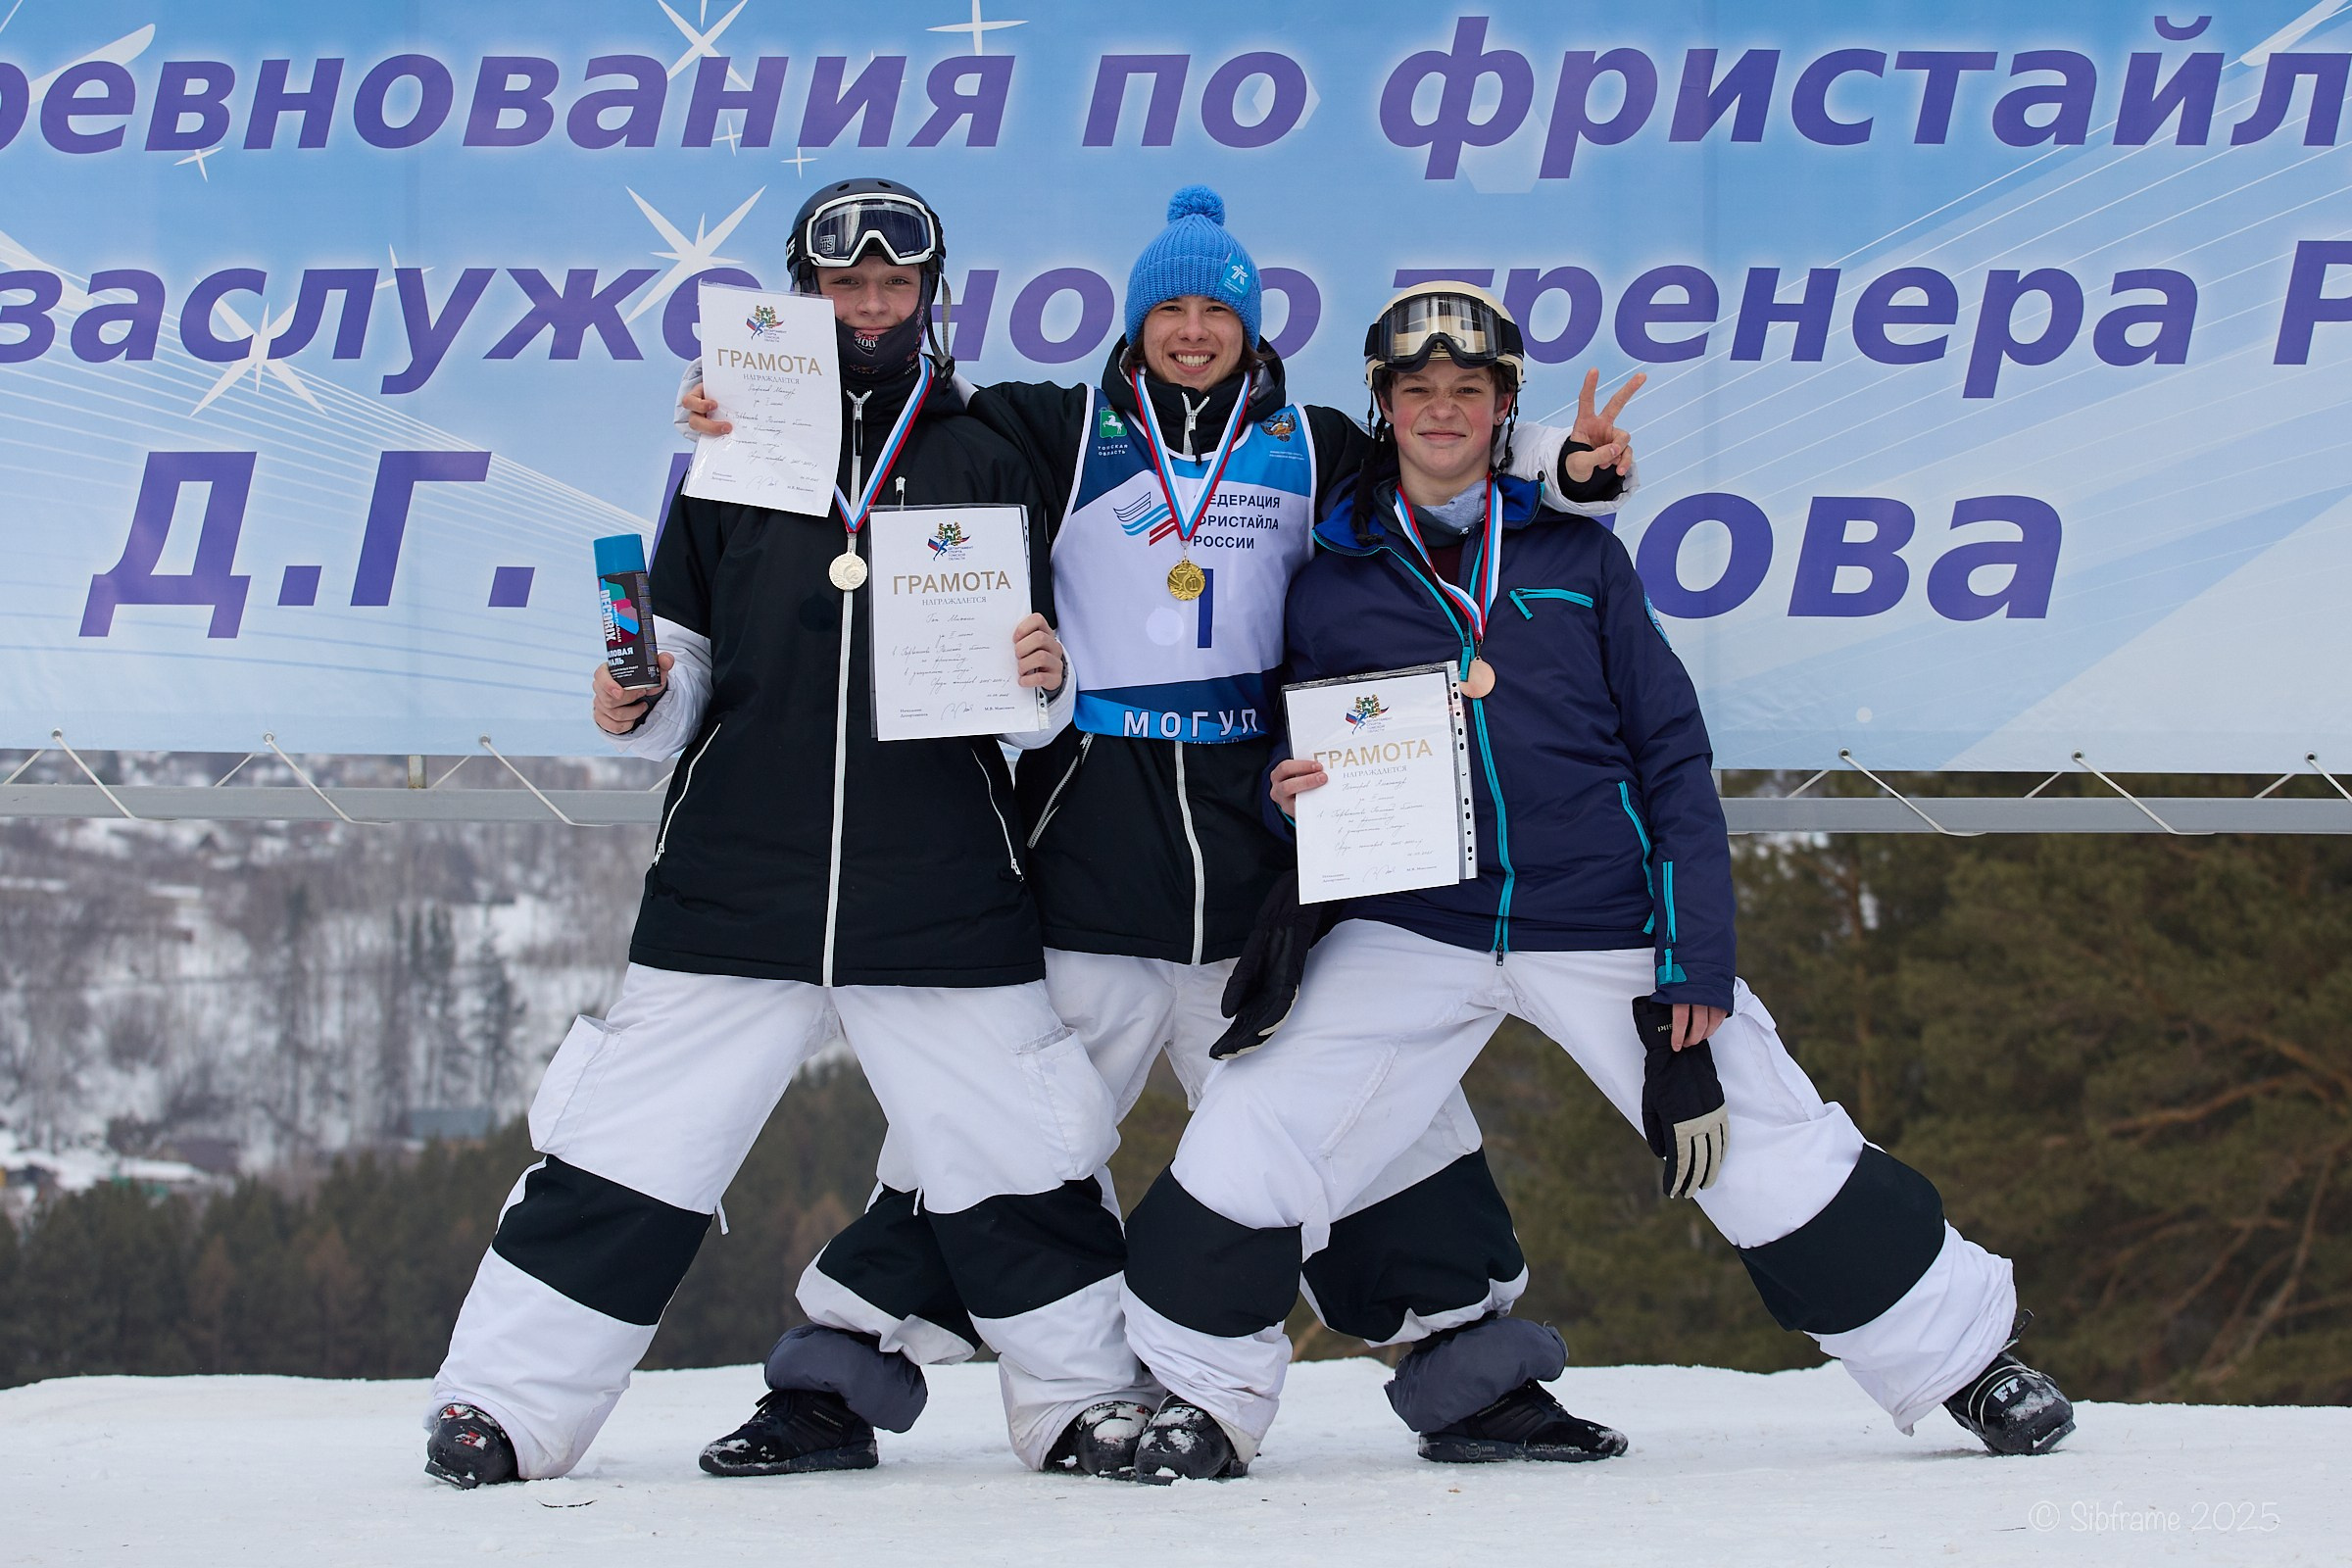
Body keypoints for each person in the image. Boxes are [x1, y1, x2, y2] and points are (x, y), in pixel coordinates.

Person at [677, 188, 1650, 1475]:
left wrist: (1564, 476)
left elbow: (1442, 478)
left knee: (1362, 1097)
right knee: (1002, 1114)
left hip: (1267, 827)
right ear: (1137, 325)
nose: (1194, 332)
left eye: (1217, 311)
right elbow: (901, 428)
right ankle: (833, 1383)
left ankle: (1474, 1376)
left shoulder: (1315, 443)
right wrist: (758, 409)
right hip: (1095, 822)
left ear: (1250, 327)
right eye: (1170, 310)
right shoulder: (1055, 423)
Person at [1115, 283, 2078, 1481]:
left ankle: (1966, 1361)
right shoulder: (1335, 577)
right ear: (1386, 406)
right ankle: (1201, 1399)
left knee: (1759, 1131)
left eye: (1468, 391)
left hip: (1598, 916)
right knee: (1258, 1114)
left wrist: (1695, 960)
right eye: (1417, 392)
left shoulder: (1578, 554)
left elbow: (1674, 757)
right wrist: (1287, 787)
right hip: (1420, 921)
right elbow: (1296, 745)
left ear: (1501, 406)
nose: (1441, 412)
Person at [420, 176, 1161, 1488]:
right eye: (846, 286)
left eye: (895, 286)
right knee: (621, 1149)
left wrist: (1043, 680)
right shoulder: (729, 453)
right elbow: (683, 670)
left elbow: (1035, 706)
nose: (871, 307)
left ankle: (1086, 1403)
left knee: (1024, 1154)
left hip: (940, 874)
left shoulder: (991, 449)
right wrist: (631, 692)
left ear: (932, 295)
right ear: (803, 293)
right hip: (734, 873)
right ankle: (506, 1406)